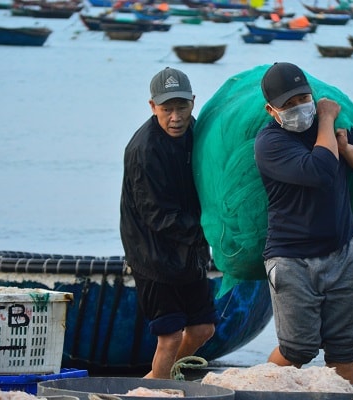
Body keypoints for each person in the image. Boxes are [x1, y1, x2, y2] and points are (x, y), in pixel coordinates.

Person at [253, 62, 353, 384]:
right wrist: (325, 118)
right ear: (272, 110)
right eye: (289, 105)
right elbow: (321, 171)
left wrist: (346, 147)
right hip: (292, 260)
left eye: (303, 98)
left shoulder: (333, 128)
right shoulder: (270, 143)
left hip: (343, 253)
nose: (299, 108)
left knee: (344, 349)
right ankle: (256, 392)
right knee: (297, 349)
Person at [120, 67, 218, 379]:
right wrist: (211, 231)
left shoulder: (195, 134)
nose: (175, 117)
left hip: (187, 251)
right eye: (166, 109)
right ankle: (158, 389)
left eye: (181, 107)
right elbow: (156, 214)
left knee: (203, 329)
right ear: (152, 107)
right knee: (171, 335)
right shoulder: (144, 149)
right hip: (152, 254)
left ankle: (155, 381)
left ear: (193, 102)